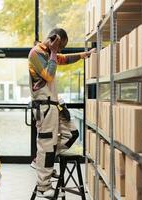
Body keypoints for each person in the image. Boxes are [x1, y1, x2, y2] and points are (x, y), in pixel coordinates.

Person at [28, 28, 95, 198]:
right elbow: (49, 76)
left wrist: (83, 55)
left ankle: (42, 162)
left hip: (54, 104)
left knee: (71, 134)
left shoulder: (50, 54)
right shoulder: (36, 53)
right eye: (60, 46)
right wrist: (53, 51)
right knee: (47, 144)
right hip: (44, 106)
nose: (60, 50)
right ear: (53, 40)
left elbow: (63, 59)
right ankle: (43, 185)